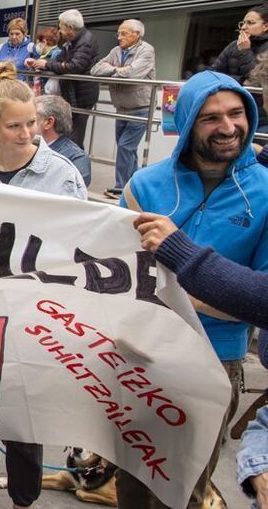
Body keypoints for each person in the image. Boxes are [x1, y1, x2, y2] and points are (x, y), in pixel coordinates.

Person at [116, 70, 268, 508]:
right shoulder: (144, 185)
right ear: (186, 124)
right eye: (211, 118)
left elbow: (259, 299)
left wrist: (183, 285)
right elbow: (113, 274)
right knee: (131, 481)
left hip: (215, 358)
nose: (228, 127)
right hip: (138, 352)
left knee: (183, 489)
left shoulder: (266, 193)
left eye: (237, 114)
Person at [0, 62, 85, 509]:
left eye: (32, 122)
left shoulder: (62, 174)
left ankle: (22, 500)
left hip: (35, 311)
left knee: (27, 418)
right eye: (14, 125)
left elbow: (79, 243)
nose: (27, 132)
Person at [89, 19, 157, 197]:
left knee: (126, 147)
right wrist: (118, 68)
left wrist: (113, 70)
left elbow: (133, 73)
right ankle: (133, 186)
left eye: (124, 33)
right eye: (118, 33)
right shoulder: (116, 51)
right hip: (121, 107)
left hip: (140, 107)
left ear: (137, 34)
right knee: (127, 149)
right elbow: (95, 69)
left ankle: (121, 188)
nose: (119, 37)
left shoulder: (147, 51)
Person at [27, 9, 99, 148]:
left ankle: (77, 166)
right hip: (71, 94)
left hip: (81, 96)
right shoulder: (71, 42)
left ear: (71, 28)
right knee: (67, 134)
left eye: (61, 27)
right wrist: (39, 64)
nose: (59, 30)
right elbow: (60, 61)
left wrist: (47, 64)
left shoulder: (85, 42)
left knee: (74, 138)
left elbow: (75, 66)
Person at [33, 94, 91, 186]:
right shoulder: (23, 147)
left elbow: (73, 194)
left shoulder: (76, 158)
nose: (25, 126)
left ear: (48, 122)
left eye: (32, 121)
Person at [210, 1, 268, 83]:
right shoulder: (234, 45)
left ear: (265, 27)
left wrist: (244, 51)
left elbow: (258, 81)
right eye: (243, 23)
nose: (244, 27)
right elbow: (213, 74)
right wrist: (241, 80)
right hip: (231, 94)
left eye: (250, 23)